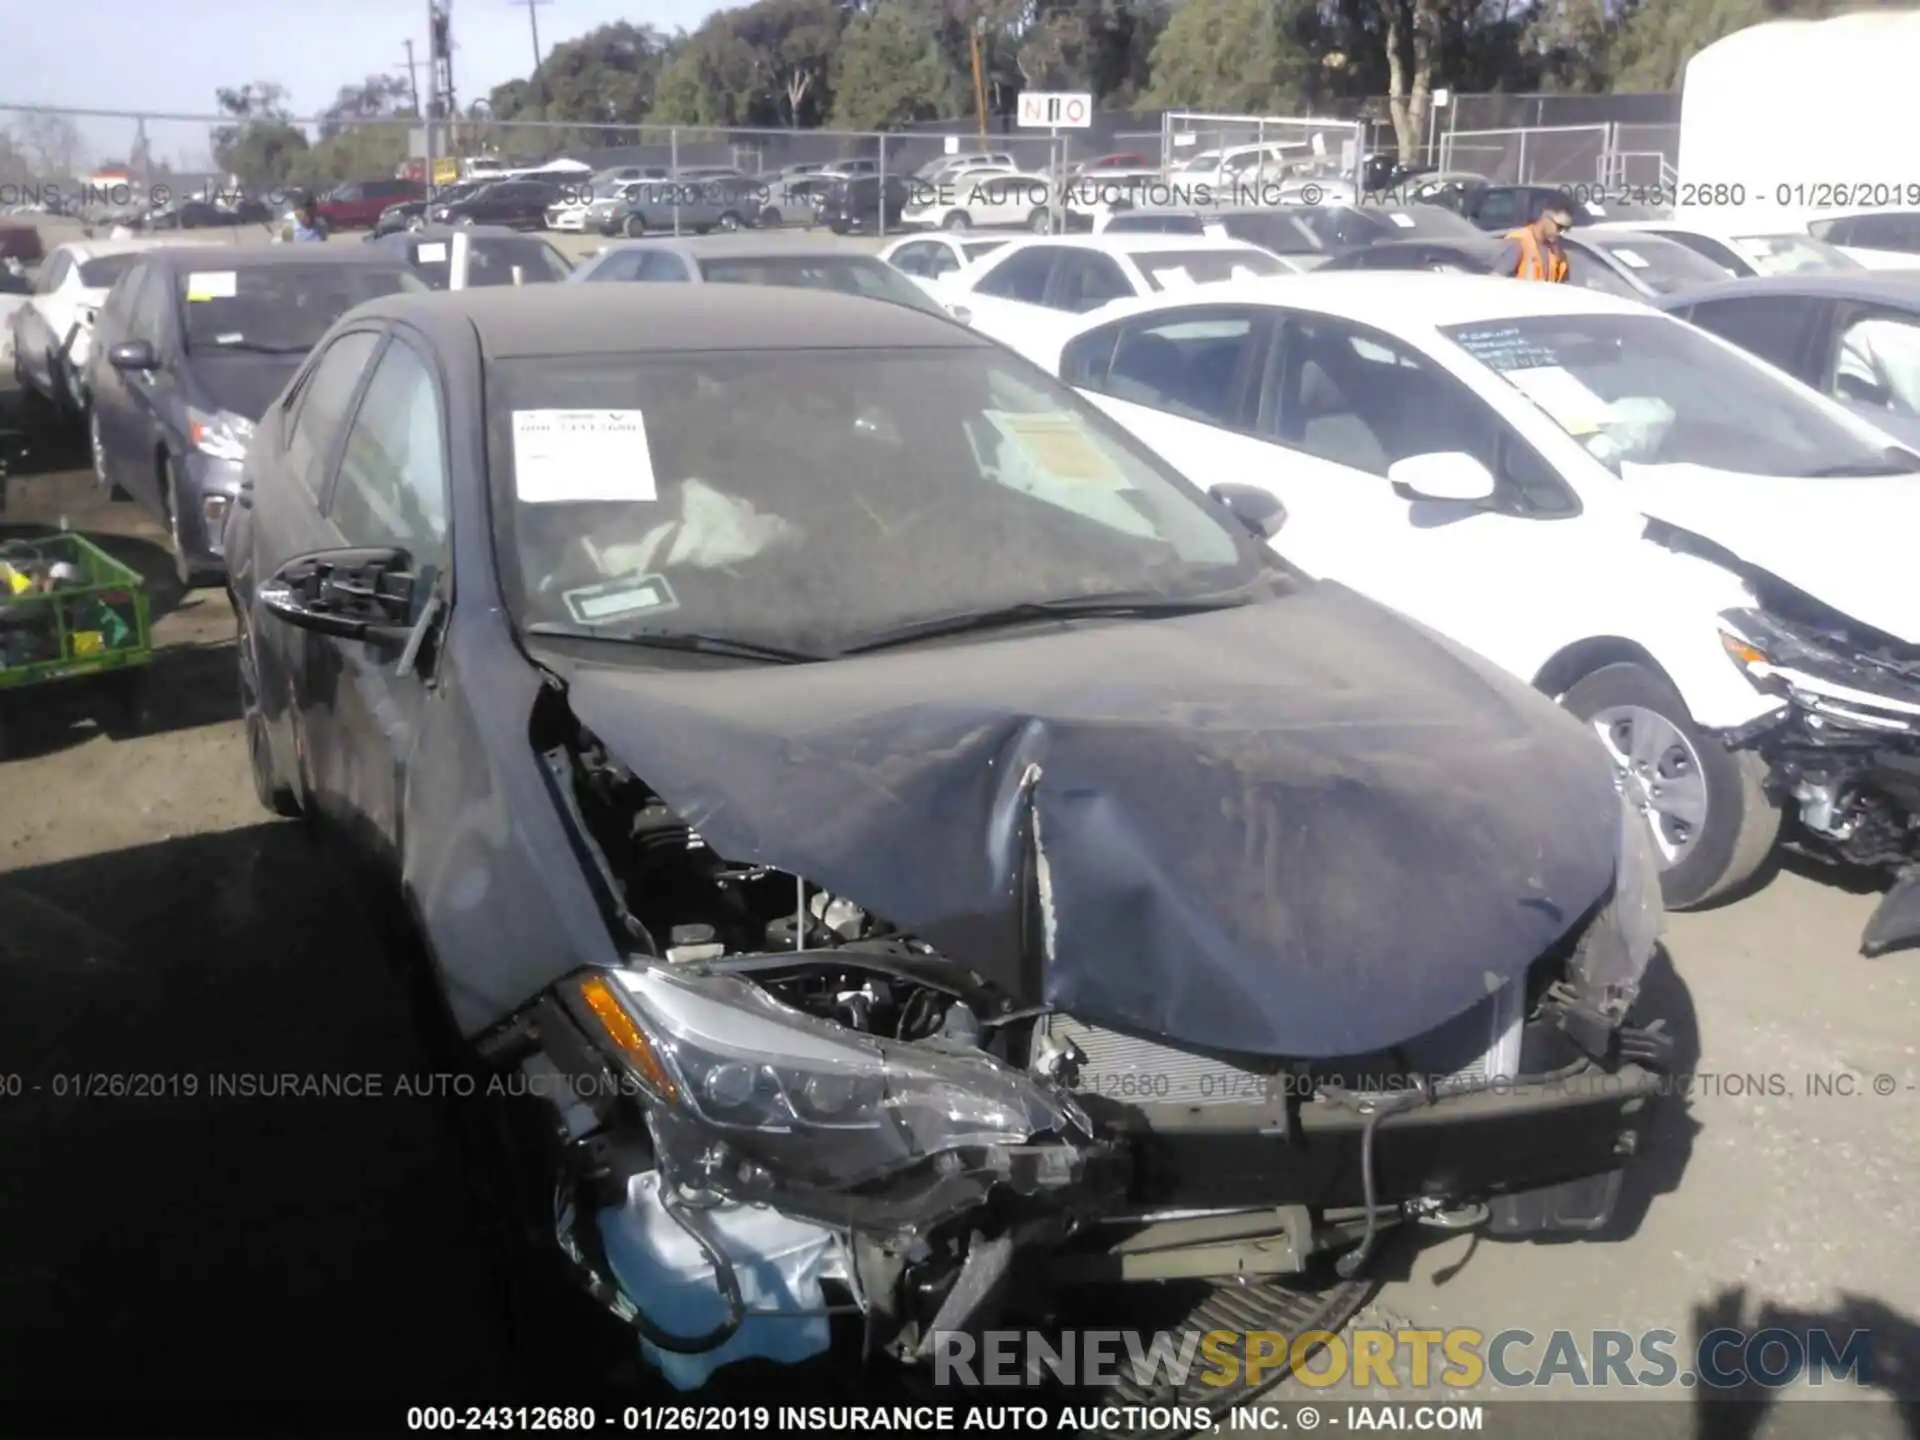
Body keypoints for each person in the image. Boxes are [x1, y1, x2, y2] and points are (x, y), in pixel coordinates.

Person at [1497, 197, 1573, 282]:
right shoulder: (1519, 242)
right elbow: (1497, 283)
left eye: (1566, 229)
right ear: (1545, 216)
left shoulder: (1557, 252)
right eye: (1559, 227)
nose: (1561, 233)